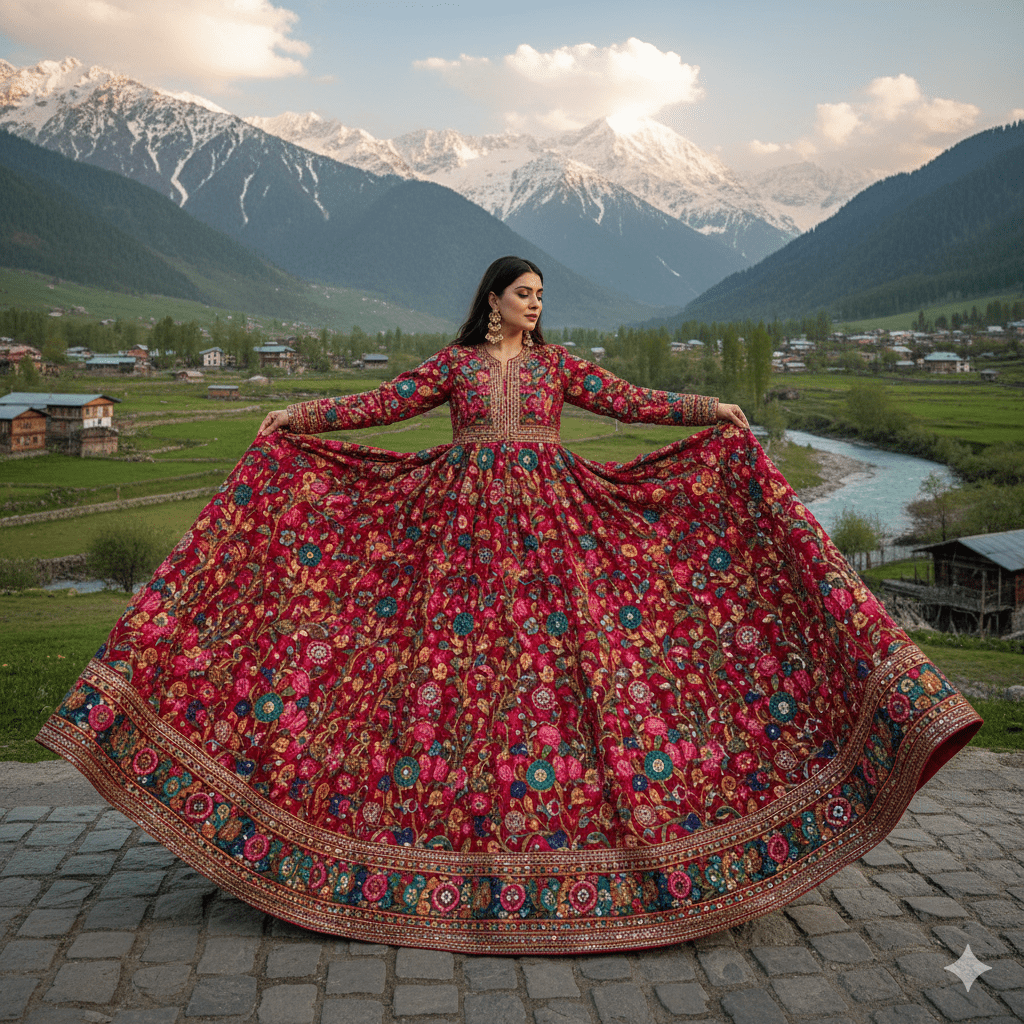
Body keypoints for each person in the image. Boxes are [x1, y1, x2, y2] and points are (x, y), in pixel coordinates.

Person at [39, 256, 980, 955]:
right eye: (524, 293)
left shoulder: (561, 367)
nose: (537, 305)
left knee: (573, 674)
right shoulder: (451, 368)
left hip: (552, 535)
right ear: (493, 299)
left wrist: (710, 411)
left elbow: (635, 400)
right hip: (453, 541)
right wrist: (296, 418)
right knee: (434, 677)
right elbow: (378, 405)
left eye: (541, 297)